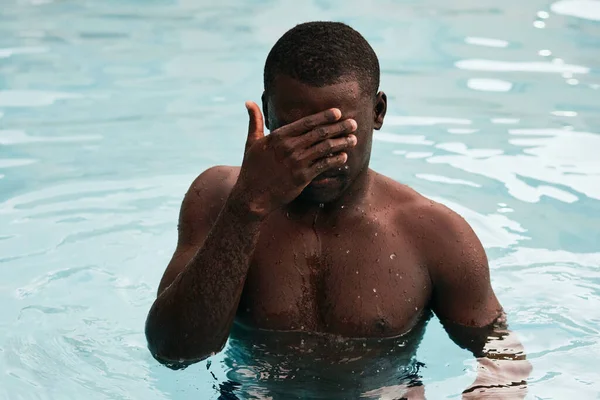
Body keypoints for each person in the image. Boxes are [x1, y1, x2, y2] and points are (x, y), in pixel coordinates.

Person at [145, 21, 531, 398]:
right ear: (268, 111)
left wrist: (495, 387)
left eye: (338, 133)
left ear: (377, 112)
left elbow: (497, 345)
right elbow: (174, 352)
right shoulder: (220, 198)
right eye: (299, 134)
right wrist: (247, 208)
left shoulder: (433, 234)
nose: (322, 156)